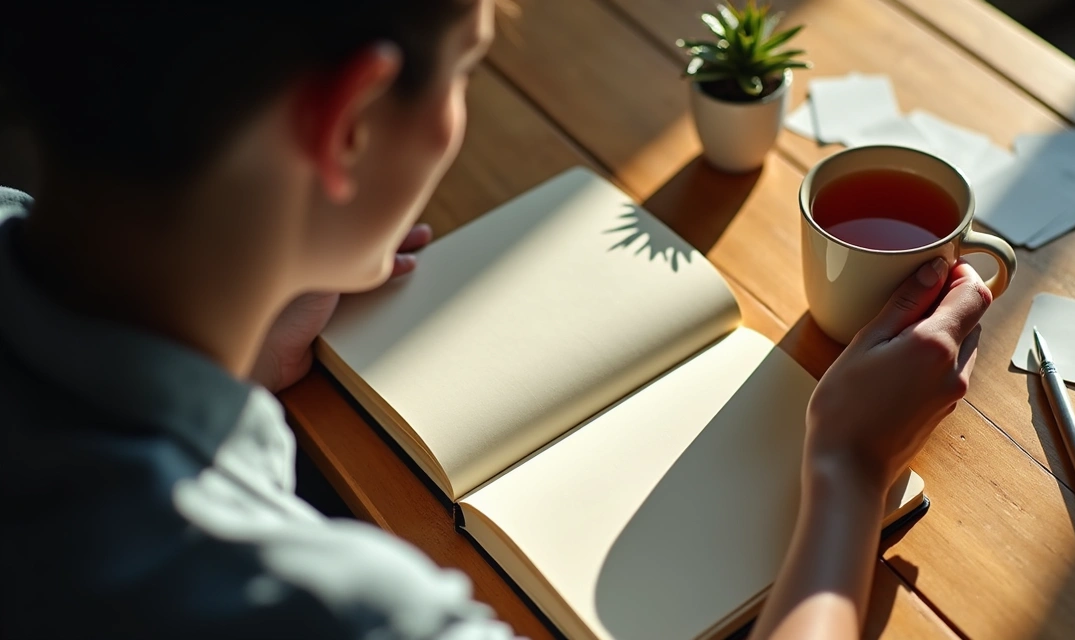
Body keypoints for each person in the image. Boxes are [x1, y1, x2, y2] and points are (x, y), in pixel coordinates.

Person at [0, 1, 990, 638]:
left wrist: (250, 326)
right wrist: (849, 468)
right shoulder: (339, 614)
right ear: (349, 122)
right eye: (469, 68)